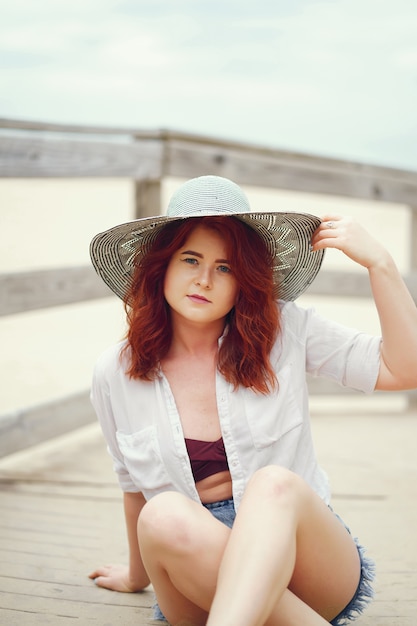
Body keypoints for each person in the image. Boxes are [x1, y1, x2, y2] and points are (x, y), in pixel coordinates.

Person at [88, 175, 417, 626]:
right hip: (198, 574)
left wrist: (381, 264)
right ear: (160, 266)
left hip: (305, 561)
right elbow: (133, 490)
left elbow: (404, 369)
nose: (204, 279)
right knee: (162, 512)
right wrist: (135, 574)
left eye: (225, 267)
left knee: (273, 484)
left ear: (244, 280)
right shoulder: (116, 371)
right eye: (190, 259)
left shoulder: (285, 331)